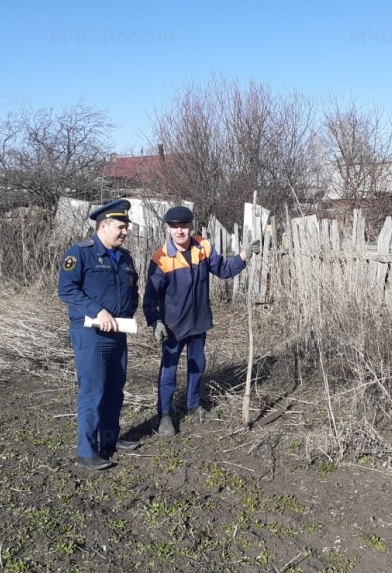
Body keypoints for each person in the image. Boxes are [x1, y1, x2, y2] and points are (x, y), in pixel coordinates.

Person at [142, 205, 259, 436]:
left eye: (183, 226)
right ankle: (164, 415)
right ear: (168, 229)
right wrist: (156, 322)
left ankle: (194, 407)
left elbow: (223, 270)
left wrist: (244, 255)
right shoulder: (161, 258)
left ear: (191, 226)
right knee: (169, 371)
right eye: (174, 227)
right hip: (173, 328)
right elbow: (149, 299)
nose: (180, 231)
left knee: (197, 366)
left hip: (199, 323)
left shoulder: (203, 247)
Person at [58, 199, 141, 471]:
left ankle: (110, 439)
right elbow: (67, 290)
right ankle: (87, 451)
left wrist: (128, 313)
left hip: (118, 333)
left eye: (126, 227)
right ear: (104, 226)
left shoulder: (125, 257)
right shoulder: (81, 253)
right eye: (120, 227)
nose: (125, 232)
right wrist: (98, 311)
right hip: (90, 334)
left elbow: (133, 290)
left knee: (115, 389)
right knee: (93, 392)